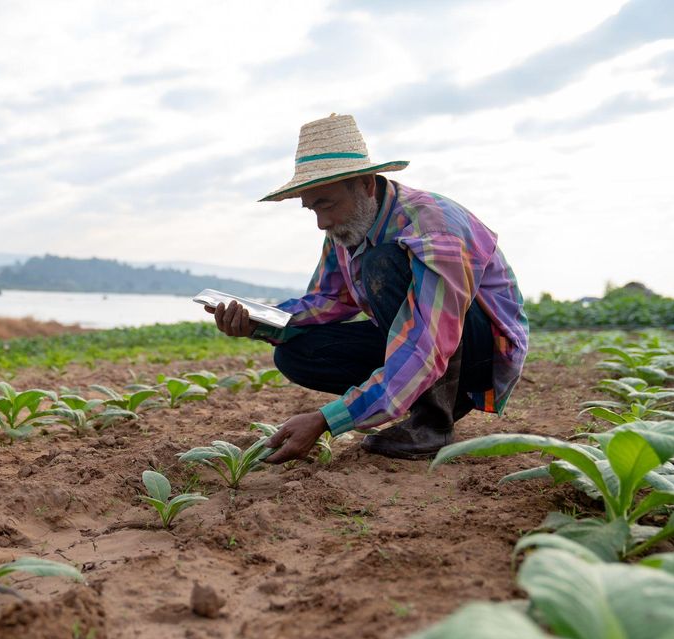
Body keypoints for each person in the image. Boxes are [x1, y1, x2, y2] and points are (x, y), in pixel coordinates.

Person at [205, 114, 528, 462]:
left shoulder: (432, 228)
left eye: (327, 204)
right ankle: (414, 402)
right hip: (418, 339)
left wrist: (326, 419)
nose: (321, 222)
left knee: (382, 264)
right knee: (295, 351)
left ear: (366, 185)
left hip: (477, 354)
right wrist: (259, 321)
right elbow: (328, 300)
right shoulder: (346, 230)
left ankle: (433, 424)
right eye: (312, 208)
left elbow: (429, 342)